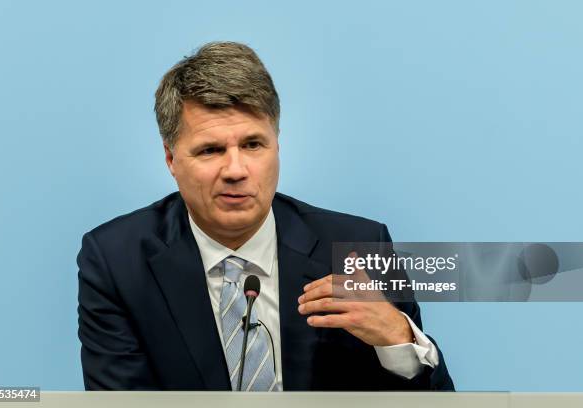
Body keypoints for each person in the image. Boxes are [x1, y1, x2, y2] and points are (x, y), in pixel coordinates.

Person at [77, 41, 454, 391]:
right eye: (210, 150)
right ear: (171, 159)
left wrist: (396, 337)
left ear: (277, 145)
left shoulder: (357, 245)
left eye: (253, 144)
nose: (236, 170)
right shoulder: (117, 260)